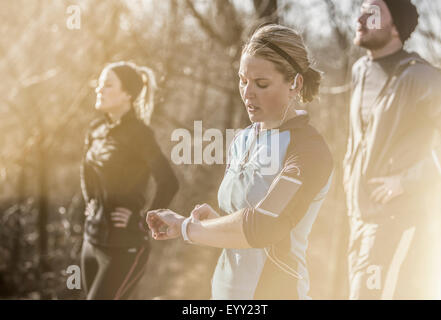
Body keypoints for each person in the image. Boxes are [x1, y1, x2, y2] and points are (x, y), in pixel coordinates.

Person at [146, 24, 334, 300]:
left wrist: (186, 227)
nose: (247, 93)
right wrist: (216, 222)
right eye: (243, 80)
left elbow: (263, 225)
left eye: (261, 84)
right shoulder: (243, 139)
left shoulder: (309, 151)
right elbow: (244, 222)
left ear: (295, 83)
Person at [344, 0, 441, 299]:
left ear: (395, 28)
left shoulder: (423, 77)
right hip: (358, 219)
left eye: (373, 12)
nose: (361, 18)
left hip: (396, 221)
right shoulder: (359, 70)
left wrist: (407, 181)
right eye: (362, 9)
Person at [80, 61, 179, 300]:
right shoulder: (95, 129)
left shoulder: (140, 134)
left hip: (125, 247)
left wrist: (142, 219)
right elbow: (86, 171)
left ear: (127, 94)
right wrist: (90, 201)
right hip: (91, 242)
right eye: (100, 84)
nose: (99, 89)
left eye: (108, 85)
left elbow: (168, 181)